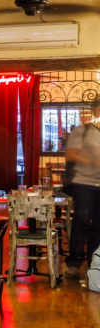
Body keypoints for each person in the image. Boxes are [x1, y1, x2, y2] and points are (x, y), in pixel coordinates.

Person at [64, 110, 100, 277]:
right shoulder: (82, 131)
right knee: (81, 222)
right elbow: (70, 154)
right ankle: (74, 263)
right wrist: (91, 160)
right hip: (84, 183)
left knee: (98, 226)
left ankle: (94, 264)